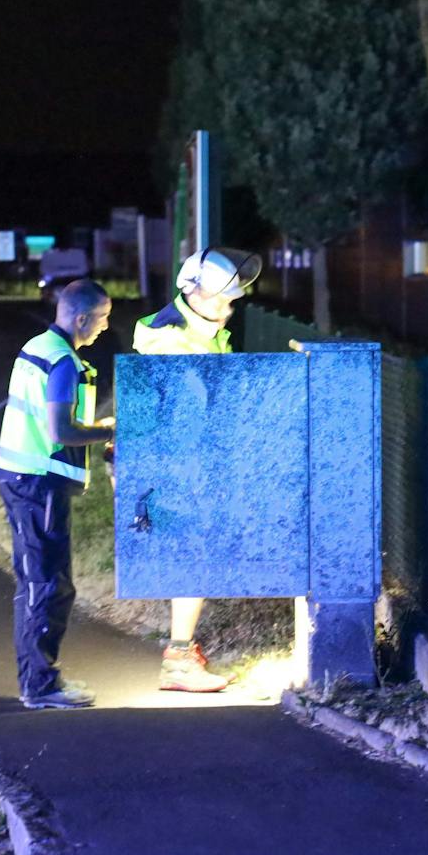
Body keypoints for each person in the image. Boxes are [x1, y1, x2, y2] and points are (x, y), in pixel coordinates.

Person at [132, 246, 262, 693]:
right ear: (193, 292)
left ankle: (182, 654)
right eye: (221, 300)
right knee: (194, 554)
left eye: (232, 301)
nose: (228, 309)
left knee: (198, 556)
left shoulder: (204, 334)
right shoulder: (170, 340)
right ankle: (179, 659)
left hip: (196, 464)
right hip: (181, 467)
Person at [0, 279, 114, 709]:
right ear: (81, 317)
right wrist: (110, 429)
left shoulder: (38, 346)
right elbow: (60, 430)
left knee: (37, 581)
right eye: (102, 317)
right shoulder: (63, 362)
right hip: (37, 482)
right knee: (48, 584)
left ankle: (39, 679)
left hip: (21, 475)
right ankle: (40, 687)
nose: (105, 325)